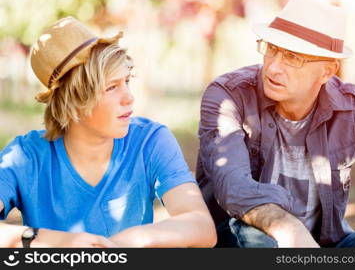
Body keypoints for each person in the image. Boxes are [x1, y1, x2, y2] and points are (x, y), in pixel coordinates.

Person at [196, 0, 355, 248]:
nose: (274, 67)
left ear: (327, 71)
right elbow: (234, 187)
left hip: (324, 246)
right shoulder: (228, 96)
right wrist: (291, 230)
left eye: (293, 57)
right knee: (257, 238)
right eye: (273, 49)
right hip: (245, 238)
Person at [0, 17, 216, 248]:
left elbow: (201, 227)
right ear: (73, 99)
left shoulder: (150, 141)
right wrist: (62, 241)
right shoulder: (24, 156)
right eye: (111, 87)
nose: (129, 97)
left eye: (126, 81)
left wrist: (126, 242)